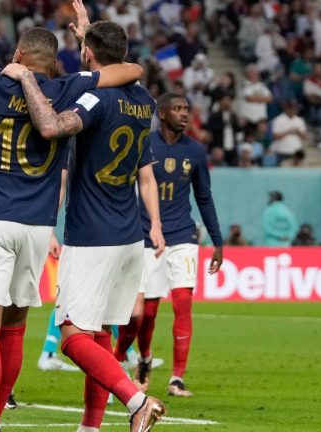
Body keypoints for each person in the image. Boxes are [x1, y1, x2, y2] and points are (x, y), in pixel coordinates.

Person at [0, 0, 145, 429]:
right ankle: (0, 406)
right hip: (39, 227)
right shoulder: (69, 88)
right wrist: (86, 39)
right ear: (55, 63)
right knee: (16, 322)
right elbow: (131, 70)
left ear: (18, 56)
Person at [2, 14, 167, 431]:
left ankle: (136, 399)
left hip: (93, 235)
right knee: (100, 336)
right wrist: (89, 40)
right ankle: (90, 427)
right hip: (129, 234)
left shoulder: (95, 100)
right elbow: (113, 70)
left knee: (73, 337)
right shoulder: (144, 99)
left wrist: (28, 80)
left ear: (89, 53)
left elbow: (52, 125)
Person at [114, 93, 224, 399]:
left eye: (186, 109)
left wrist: (217, 241)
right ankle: (142, 357)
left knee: (182, 303)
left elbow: (204, 197)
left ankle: (177, 378)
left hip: (183, 237)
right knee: (144, 314)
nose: (184, 114)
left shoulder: (196, 151)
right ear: (162, 113)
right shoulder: (143, 144)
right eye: (177, 109)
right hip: (146, 237)